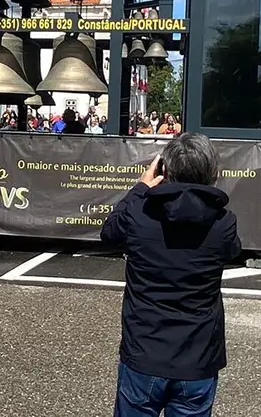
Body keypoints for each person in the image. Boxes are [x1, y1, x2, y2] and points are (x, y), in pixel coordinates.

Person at [101, 133, 242, 417]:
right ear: (212, 173)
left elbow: (109, 233)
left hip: (144, 352)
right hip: (197, 358)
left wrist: (140, 187)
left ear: (165, 169)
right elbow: (232, 251)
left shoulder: (140, 214)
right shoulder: (222, 222)